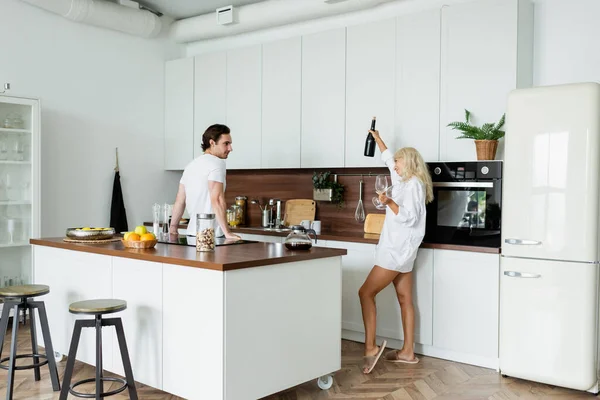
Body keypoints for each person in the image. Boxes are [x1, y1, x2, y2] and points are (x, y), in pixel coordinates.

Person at [358, 129, 434, 374]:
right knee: (405, 300)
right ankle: (408, 352)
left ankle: (370, 347)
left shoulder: (413, 186)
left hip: (395, 251)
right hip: (406, 253)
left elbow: (409, 218)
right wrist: (378, 138)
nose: (395, 167)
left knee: (365, 293)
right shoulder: (403, 179)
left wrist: (388, 202)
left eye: (399, 163)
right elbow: (388, 159)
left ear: (409, 163)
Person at [170, 124, 241, 240]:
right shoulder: (217, 164)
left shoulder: (191, 165)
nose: (230, 148)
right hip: (211, 236)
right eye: (226, 144)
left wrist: (173, 227)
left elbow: (180, 200)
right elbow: (217, 199)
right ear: (212, 143)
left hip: (192, 234)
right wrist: (227, 232)